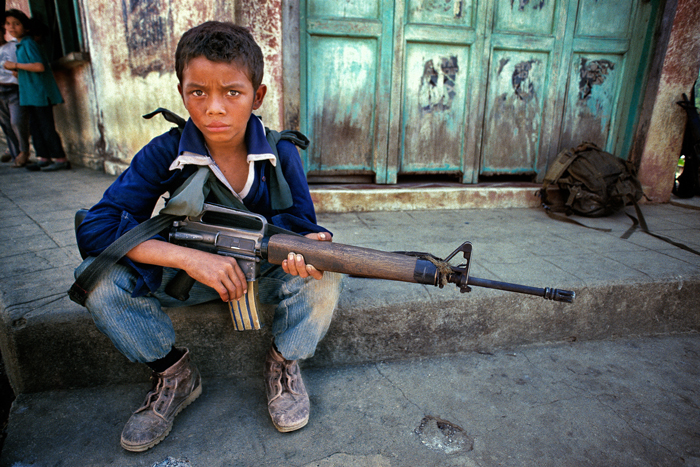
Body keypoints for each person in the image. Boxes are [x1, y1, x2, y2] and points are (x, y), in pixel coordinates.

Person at [74, 21, 342, 452]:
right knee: (97, 279)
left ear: (257, 96)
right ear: (182, 92)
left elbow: (300, 221)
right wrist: (189, 259)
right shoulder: (166, 152)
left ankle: (284, 364)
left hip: (262, 277)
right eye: (198, 92)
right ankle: (175, 374)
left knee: (327, 272)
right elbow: (97, 226)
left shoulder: (280, 152)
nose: (214, 108)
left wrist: (307, 247)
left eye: (232, 92)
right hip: (188, 279)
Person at [3, 10, 69, 171]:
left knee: (46, 127)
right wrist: (18, 73)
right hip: (29, 95)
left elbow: (39, 66)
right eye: (8, 24)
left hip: (39, 94)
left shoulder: (29, 43)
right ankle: (43, 157)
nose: (12, 27)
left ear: (26, 28)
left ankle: (60, 159)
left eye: (17, 24)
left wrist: (16, 66)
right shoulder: (20, 45)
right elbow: (30, 68)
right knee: (35, 127)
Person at [0, 13, 29, 167]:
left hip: (14, 89)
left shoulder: (13, 46)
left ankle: (24, 151)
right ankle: (15, 153)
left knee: (16, 121)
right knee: (6, 124)